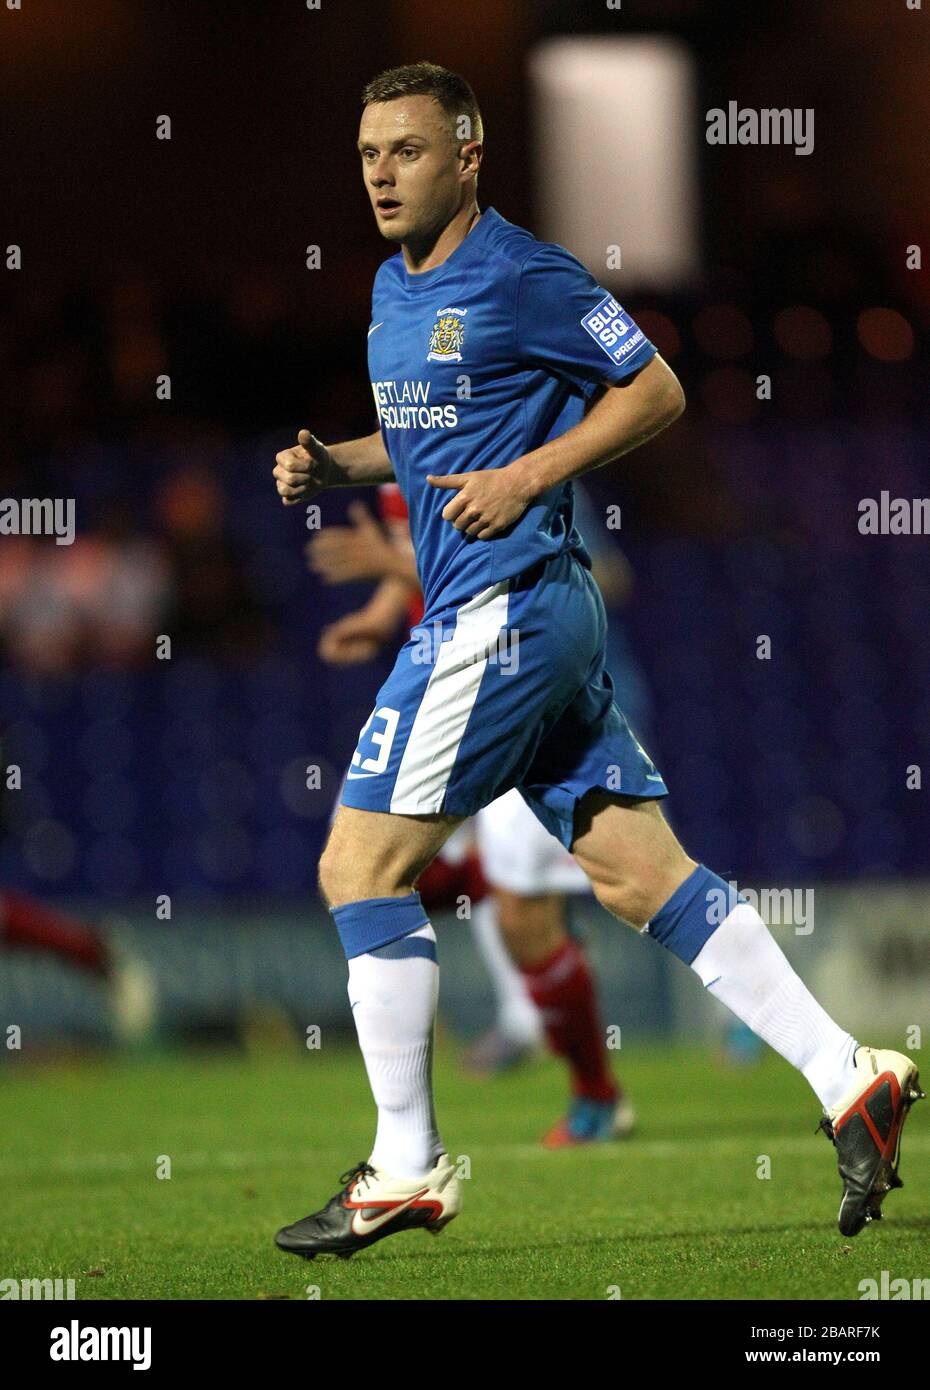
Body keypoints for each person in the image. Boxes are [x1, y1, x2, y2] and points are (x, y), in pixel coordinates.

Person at [272, 62, 922, 1259]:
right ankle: (849, 1073)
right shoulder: (386, 287)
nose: (381, 171)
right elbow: (425, 439)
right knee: (637, 875)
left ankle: (407, 1166)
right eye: (369, 152)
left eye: (408, 150)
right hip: (529, 619)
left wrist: (533, 473)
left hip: (506, 611)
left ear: (470, 156)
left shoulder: (523, 274)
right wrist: (338, 464)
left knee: (359, 864)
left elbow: (657, 389)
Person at [309, 485, 633, 1145]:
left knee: (565, 904)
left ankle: (594, 1090)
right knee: (359, 870)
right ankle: (410, 1135)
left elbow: (575, 576)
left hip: (514, 685)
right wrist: (384, 608)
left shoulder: (506, 445)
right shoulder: (405, 443)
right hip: (437, 683)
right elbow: (423, 555)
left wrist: (392, 567)